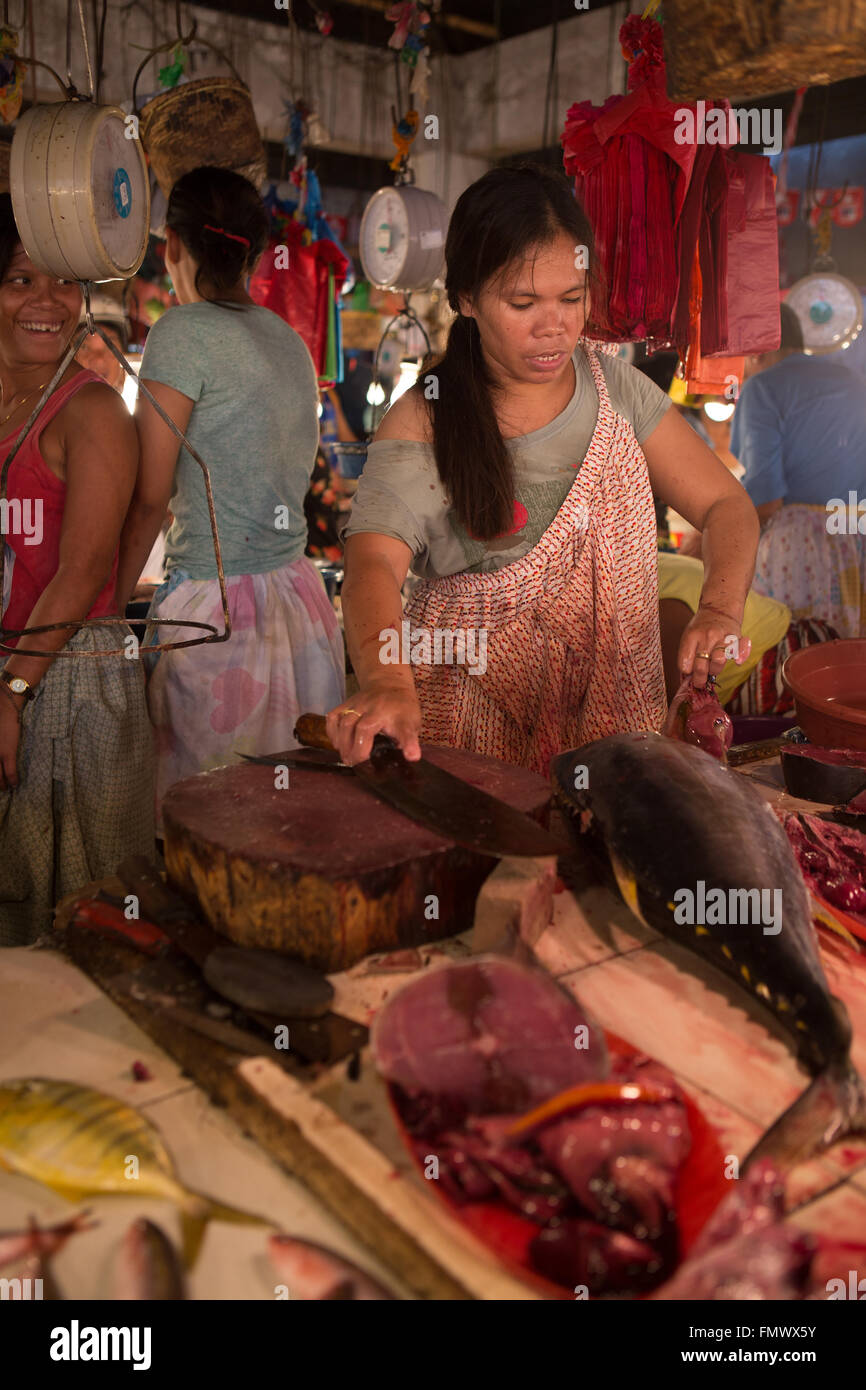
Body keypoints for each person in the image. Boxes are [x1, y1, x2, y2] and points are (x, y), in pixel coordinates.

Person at [326, 165, 760, 771]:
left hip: (615, 725)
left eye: (572, 298)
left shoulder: (617, 391)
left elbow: (725, 505)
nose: (553, 326)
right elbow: (372, 561)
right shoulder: (424, 418)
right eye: (523, 302)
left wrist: (719, 610)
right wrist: (387, 681)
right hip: (465, 724)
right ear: (468, 298)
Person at [114, 167, 345, 816]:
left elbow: (148, 496)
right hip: (301, 607)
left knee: (209, 830)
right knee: (293, 825)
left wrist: (106, 609)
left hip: (216, 623)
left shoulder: (182, 333)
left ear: (173, 248)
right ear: (250, 251)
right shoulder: (291, 343)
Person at [0, 196, 154, 944]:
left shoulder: (92, 413)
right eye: (21, 280)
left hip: (65, 683)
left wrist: (12, 694)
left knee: (79, 915)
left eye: (64, 283)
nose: (48, 303)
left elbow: (83, 567)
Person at [731, 301, 866, 639]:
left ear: (753, 350)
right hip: (858, 537)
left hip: (800, 547)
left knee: (796, 661)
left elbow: (765, 500)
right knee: (849, 666)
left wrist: (710, 536)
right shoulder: (853, 380)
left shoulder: (762, 388)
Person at [657, 550, 838, 714]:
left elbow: (678, 710)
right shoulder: (648, 569)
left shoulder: (654, 606)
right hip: (795, 635)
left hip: (775, 657)